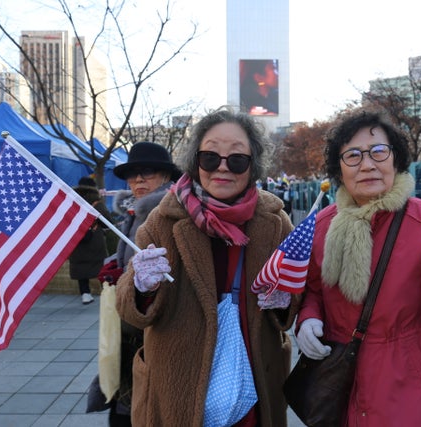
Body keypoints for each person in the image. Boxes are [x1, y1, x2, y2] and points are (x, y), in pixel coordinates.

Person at [294, 108, 421, 426]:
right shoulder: (322, 226)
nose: (367, 164)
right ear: (339, 169)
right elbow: (313, 290)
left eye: (378, 151)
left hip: (412, 401)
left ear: (395, 159)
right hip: (341, 394)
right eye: (353, 155)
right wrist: (308, 319)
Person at [115, 107, 299, 426]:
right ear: (196, 160)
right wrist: (142, 288)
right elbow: (129, 311)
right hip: (178, 394)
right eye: (210, 157)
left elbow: (290, 306)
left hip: (252, 388)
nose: (222, 168)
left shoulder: (276, 222)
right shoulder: (162, 221)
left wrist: (285, 301)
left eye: (237, 159)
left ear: (253, 164)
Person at [88, 141, 182, 426]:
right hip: (127, 333)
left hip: (156, 336)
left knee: (143, 413)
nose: (138, 180)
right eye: (132, 174)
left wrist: (133, 282)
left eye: (148, 172)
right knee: (124, 410)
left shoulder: (171, 214)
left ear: (166, 177)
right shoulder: (133, 211)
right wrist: (116, 269)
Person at [68, 176, 111, 305]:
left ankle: (85, 294)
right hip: (94, 239)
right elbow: (107, 222)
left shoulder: (71, 200)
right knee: (100, 266)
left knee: (80, 266)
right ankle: (106, 291)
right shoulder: (97, 202)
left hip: (77, 238)